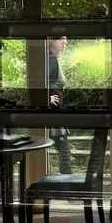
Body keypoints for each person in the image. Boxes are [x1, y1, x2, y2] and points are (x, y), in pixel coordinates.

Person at [46, 35, 72, 174]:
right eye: (61, 39)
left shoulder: (51, 59)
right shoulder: (51, 60)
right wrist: (48, 99)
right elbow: (41, 83)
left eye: (65, 39)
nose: (65, 42)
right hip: (52, 114)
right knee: (64, 151)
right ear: (51, 41)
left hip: (54, 113)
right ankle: (67, 182)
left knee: (64, 150)